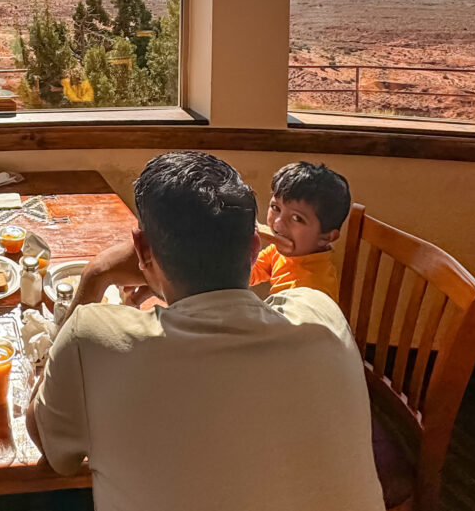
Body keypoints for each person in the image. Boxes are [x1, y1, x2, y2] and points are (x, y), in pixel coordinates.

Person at [26, 152, 383, 511]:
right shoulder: (324, 313)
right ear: (256, 247)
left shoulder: (89, 337)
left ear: (142, 250)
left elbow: (55, 453)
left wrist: (98, 272)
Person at [251, 161, 351, 300]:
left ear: (326, 237)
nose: (278, 224)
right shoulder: (283, 251)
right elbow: (249, 273)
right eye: (276, 208)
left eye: (297, 218)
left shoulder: (312, 290)